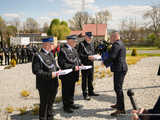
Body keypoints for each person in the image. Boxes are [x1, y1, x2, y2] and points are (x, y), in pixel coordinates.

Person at [32, 37, 59, 120]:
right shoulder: (38, 56)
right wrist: (50, 75)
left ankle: (50, 117)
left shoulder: (51, 54)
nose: (53, 45)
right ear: (45, 44)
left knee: (51, 102)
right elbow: (37, 71)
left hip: (53, 83)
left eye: (52, 44)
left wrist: (59, 70)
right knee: (44, 103)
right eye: (51, 44)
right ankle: (42, 117)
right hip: (44, 85)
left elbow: (54, 67)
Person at [103, 31, 128, 116]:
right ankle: (118, 104)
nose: (110, 39)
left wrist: (104, 62)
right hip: (120, 68)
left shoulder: (116, 44)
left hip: (119, 69)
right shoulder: (120, 43)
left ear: (114, 37)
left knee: (118, 89)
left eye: (111, 37)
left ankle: (121, 109)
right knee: (117, 88)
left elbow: (112, 56)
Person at [58, 35, 81, 113]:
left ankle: (71, 103)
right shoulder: (63, 50)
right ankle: (66, 106)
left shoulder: (74, 50)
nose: (75, 43)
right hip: (66, 75)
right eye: (74, 41)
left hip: (73, 74)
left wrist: (81, 65)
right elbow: (62, 64)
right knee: (66, 91)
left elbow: (77, 60)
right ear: (69, 41)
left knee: (72, 90)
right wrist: (73, 67)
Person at [78, 32, 99, 101]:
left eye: (91, 37)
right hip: (84, 64)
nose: (90, 38)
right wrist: (87, 57)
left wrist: (96, 56)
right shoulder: (81, 44)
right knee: (85, 79)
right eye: (89, 37)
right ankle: (85, 94)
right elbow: (79, 55)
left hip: (91, 63)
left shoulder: (92, 44)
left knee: (91, 78)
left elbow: (93, 52)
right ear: (85, 37)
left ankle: (91, 91)